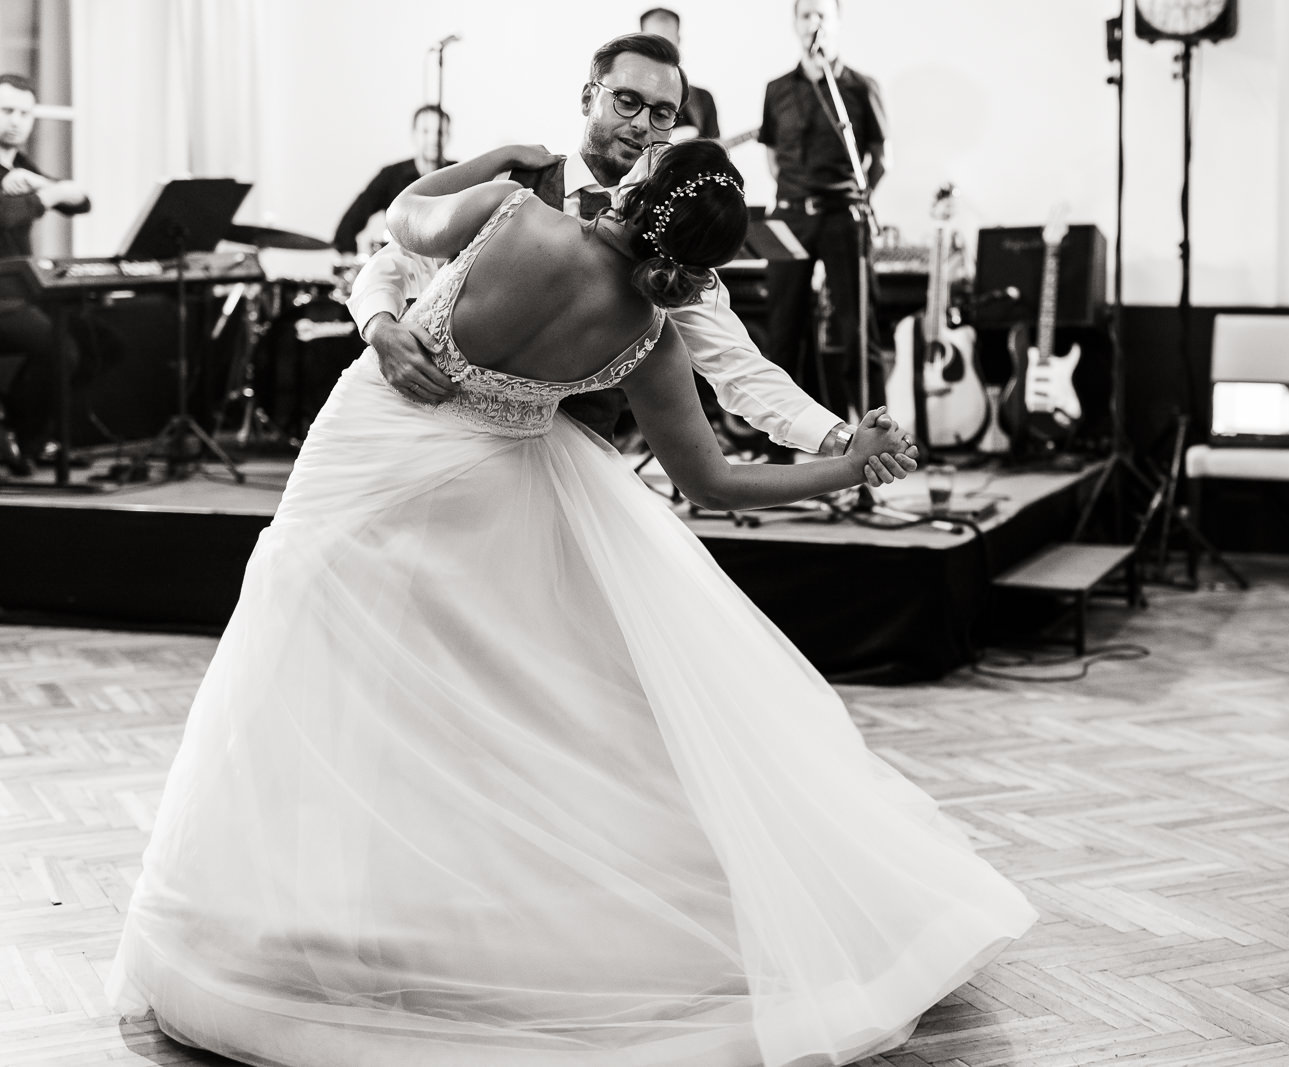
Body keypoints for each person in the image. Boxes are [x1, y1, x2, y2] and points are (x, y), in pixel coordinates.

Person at [105, 136, 1035, 1067]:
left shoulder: (511, 213)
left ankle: (297, 906)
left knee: (306, 653)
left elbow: (401, 218)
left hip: (364, 452)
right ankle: (422, 905)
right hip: (479, 492)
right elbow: (711, 482)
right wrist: (847, 463)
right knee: (449, 693)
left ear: (640, 186)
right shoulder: (649, 339)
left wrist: (493, 159)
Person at [352, 33, 893, 475]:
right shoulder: (512, 181)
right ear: (588, 98)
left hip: (572, 468)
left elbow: (737, 365)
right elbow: (396, 260)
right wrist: (380, 327)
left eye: (662, 113)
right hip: (434, 442)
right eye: (627, 101)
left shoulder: (671, 239)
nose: (641, 125)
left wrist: (839, 439)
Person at [759, 0, 890, 433]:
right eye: (806, 15)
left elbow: (879, 158)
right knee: (783, 332)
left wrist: (858, 198)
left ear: (836, 24)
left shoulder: (860, 86)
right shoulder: (776, 89)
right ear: (795, 24)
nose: (813, 22)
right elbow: (772, 157)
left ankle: (877, 436)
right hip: (790, 218)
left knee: (858, 332)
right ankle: (780, 443)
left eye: (821, 15)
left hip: (843, 217)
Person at [0, 72, 90, 476]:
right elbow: (5, 215)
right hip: (2, 299)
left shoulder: (20, 165)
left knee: (100, 342)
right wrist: (49, 193)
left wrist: (39, 184)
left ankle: (29, 436)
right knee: (60, 349)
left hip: (21, 293)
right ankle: (24, 438)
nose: (16, 121)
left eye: (25, 113)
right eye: (7, 110)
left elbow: (80, 202)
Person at [331, 104, 454, 258]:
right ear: (414, 134)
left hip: (447, 267)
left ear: (449, 136)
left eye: (440, 132)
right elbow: (348, 225)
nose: (433, 139)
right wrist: (349, 260)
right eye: (425, 131)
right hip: (402, 265)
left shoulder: (461, 173)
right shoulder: (391, 175)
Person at [639, 7, 720, 141]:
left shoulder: (702, 98)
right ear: (641, 41)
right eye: (654, 41)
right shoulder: (625, 95)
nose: (661, 49)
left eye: (668, 42)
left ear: (678, 40)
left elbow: (714, 151)